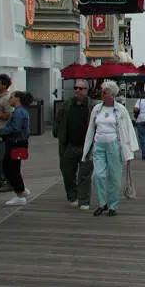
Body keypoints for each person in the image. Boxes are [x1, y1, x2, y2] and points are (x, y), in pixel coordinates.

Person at [81, 81, 139, 217]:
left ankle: (113, 205)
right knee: (98, 175)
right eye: (102, 92)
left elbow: (128, 128)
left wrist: (130, 150)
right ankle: (102, 203)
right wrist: (87, 148)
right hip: (98, 144)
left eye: (104, 92)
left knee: (114, 176)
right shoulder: (97, 109)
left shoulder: (120, 110)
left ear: (112, 94)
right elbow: (91, 128)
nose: (101, 94)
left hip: (114, 145)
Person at [53, 79, 94, 210]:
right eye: (76, 87)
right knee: (67, 173)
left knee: (84, 175)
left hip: (86, 146)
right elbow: (58, 120)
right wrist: (57, 132)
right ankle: (72, 196)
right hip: (69, 145)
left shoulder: (92, 107)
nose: (77, 90)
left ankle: (84, 200)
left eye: (81, 88)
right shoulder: (67, 105)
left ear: (86, 91)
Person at [0, 91, 34, 206]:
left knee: (10, 168)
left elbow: (16, 128)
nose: (9, 99)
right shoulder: (22, 111)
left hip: (15, 143)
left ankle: (20, 194)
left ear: (17, 99)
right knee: (13, 168)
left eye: (11, 97)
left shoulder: (18, 112)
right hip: (19, 143)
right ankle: (21, 190)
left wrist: (0, 131)